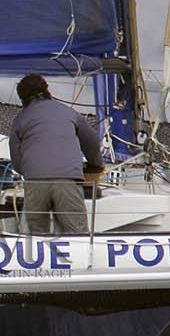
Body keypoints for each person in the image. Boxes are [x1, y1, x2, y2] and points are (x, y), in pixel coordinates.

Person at [8, 73, 103, 234]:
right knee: (77, 233)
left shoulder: (20, 119)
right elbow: (91, 141)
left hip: (36, 182)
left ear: (22, 97)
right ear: (46, 90)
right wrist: (95, 164)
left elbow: (17, 160)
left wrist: (30, 172)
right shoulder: (69, 113)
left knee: (36, 234)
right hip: (67, 180)